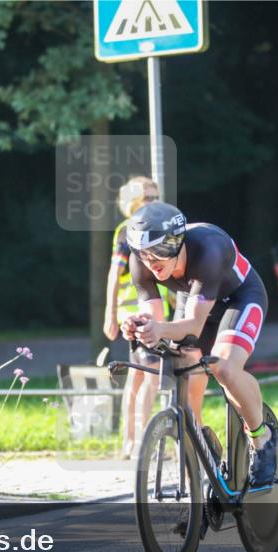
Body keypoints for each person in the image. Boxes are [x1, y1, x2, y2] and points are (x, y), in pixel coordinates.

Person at [120, 202, 277, 486]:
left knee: (224, 368)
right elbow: (157, 322)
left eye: (157, 252)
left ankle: (261, 438)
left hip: (238, 300)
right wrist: (139, 326)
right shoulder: (140, 261)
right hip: (193, 302)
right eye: (142, 254)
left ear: (175, 243)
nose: (150, 261)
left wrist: (159, 328)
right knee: (188, 381)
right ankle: (202, 466)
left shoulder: (208, 248)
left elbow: (192, 325)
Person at [103, 176, 170, 459]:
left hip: (150, 312)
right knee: (151, 377)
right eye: (148, 197)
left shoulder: (156, 228)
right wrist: (110, 314)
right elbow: (114, 275)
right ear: (133, 204)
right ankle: (143, 441)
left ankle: (130, 442)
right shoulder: (127, 231)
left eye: (156, 196)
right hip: (136, 313)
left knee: (138, 377)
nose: (154, 201)